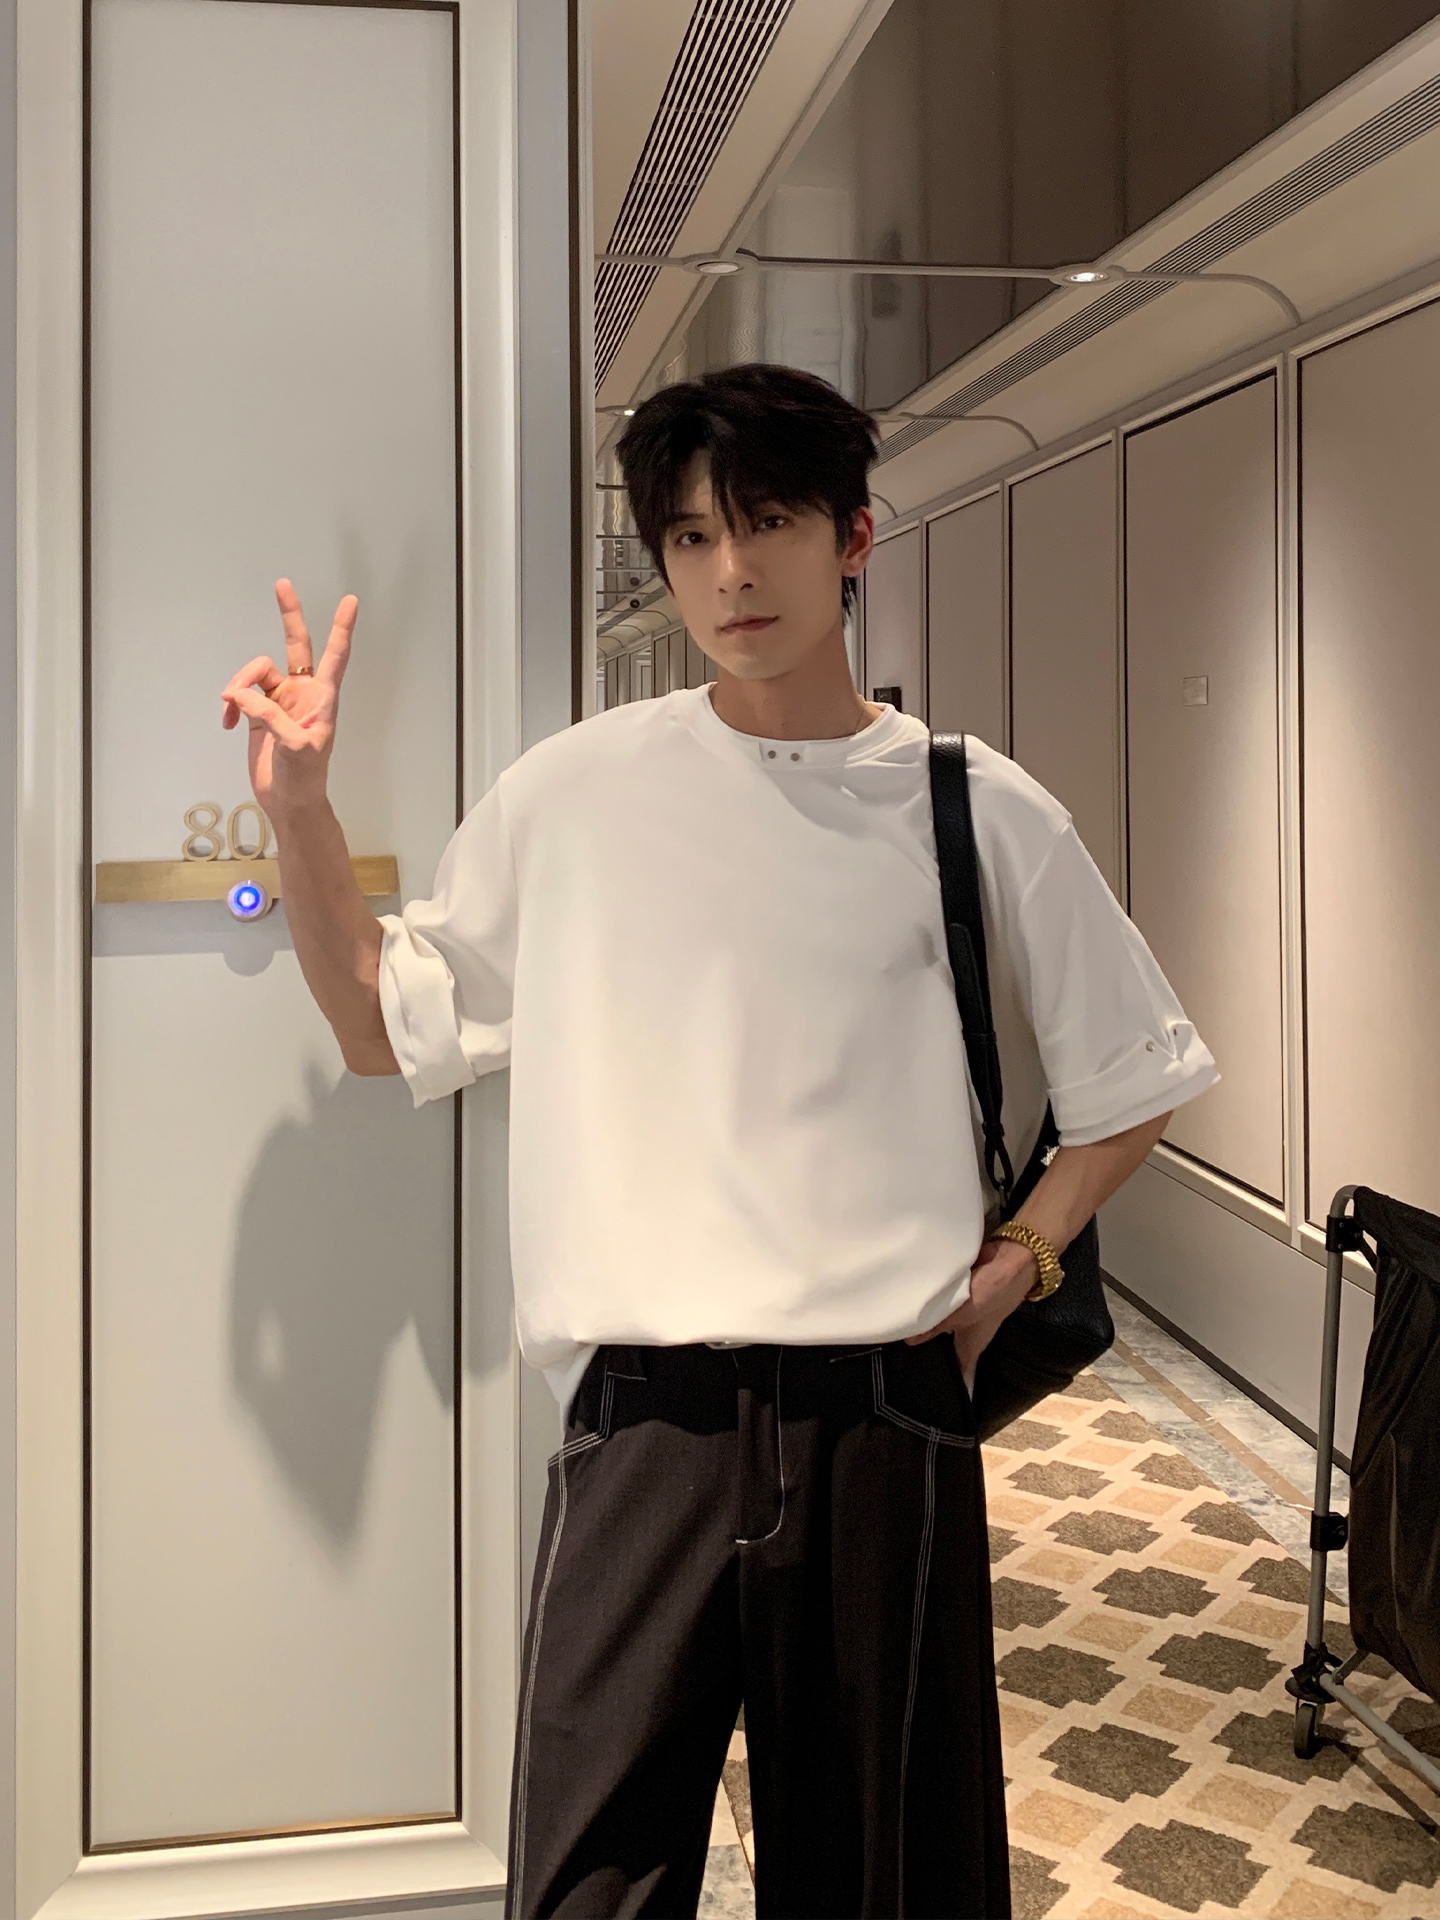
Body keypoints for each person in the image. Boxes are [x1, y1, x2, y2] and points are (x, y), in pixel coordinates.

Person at [221, 363, 1218, 1920]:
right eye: (690, 538)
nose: (730, 571)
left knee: (888, 1883)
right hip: (642, 1431)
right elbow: (376, 1022)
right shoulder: (576, 794)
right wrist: (300, 812)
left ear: (853, 538)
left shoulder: (973, 806)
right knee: (587, 1885)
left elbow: (1135, 1076)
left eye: (768, 524)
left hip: (885, 1420)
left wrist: (1018, 1263)